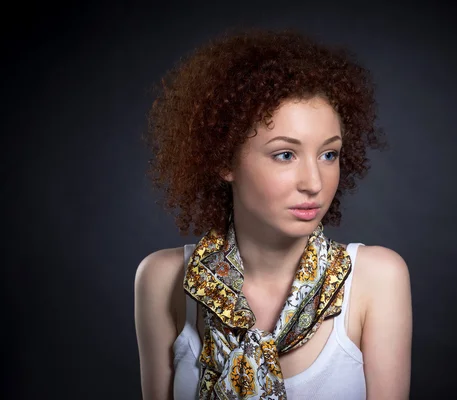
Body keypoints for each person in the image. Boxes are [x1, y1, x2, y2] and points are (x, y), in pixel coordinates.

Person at [134, 28, 412, 400]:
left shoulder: (376, 279)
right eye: (285, 154)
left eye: (329, 154)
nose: (314, 182)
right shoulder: (162, 279)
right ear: (223, 160)